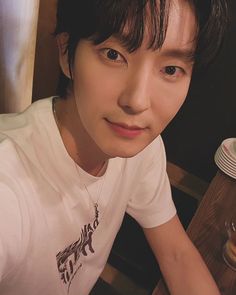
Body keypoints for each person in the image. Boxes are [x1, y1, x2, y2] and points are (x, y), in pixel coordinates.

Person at [0, 0, 228, 294]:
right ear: (65, 51)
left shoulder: (143, 150)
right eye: (113, 54)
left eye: (170, 69)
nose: (137, 101)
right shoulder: (10, 183)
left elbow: (176, 254)